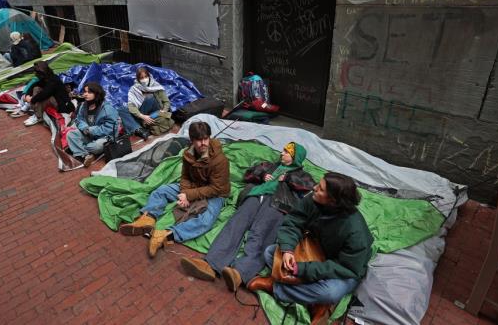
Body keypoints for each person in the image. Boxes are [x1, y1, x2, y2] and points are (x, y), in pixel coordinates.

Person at [180, 142, 313, 292]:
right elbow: (249, 174)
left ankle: (240, 273)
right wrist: (262, 175)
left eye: (287, 152)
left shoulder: (301, 175)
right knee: (235, 225)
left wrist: (288, 178)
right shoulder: (270, 165)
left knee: (260, 233)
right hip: (256, 196)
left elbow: (308, 187)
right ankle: (211, 264)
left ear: (296, 158)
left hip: (277, 204)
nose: (282, 153)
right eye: (283, 150)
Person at [247, 172, 374, 322]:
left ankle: (275, 287)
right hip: (312, 252)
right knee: (270, 253)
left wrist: (301, 269)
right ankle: (315, 303)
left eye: (320, 188)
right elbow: (293, 221)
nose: (314, 188)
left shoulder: (355, 231)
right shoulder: (312, 200)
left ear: (333, 201)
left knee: (331, 293)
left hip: (340, 269)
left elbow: (347, 268)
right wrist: (288, 250)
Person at [120, 121, 230, 258]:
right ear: (192, 140)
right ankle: (148, 219)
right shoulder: (188, 154)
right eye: (199, 140)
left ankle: (166, 235)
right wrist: (184, 192)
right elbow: (185, 176)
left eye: (206, 139)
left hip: (215, 194)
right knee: (162, 190)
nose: (204, 143)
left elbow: (216, 188)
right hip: (194, 186)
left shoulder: (220, 160)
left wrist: (188, 195)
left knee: (206, 220)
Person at [66, 82, 120, 167]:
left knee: (95, 147)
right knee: (71, 135)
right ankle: (84, 155)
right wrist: (85, 128)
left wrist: (91, 130)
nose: (86, 94)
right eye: (85, 92)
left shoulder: (107, 108)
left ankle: (80, 151)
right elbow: (79, 119)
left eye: (89, 92)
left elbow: (110, 128)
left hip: (105, 137)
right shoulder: (84, 105)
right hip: (88, 133)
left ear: (97, 93)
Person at [118, 67, 175, 140]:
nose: (144, 79)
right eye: (141, 78)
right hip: (142, 114)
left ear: (149, 76)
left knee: (151, 98)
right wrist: (142, 116)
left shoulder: (156, 86)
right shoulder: (134, 89)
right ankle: (140, 129)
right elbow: (132, 106)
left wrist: (164, 110)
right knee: (121, 110)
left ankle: (138, 125)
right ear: (138, 79)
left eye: (146, 76)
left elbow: (166, 102)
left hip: (158, 112)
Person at [23, 61, 75, 126]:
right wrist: (27, 95)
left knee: (41, 100)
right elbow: (35, 85)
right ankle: (33, 108)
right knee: (36, 88)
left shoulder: (53, 80)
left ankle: (38, 117)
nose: (35, 74)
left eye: (36, 73)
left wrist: (32, 100)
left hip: (61, 104)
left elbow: (44, 94)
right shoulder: (46, 78)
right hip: (54, 99)